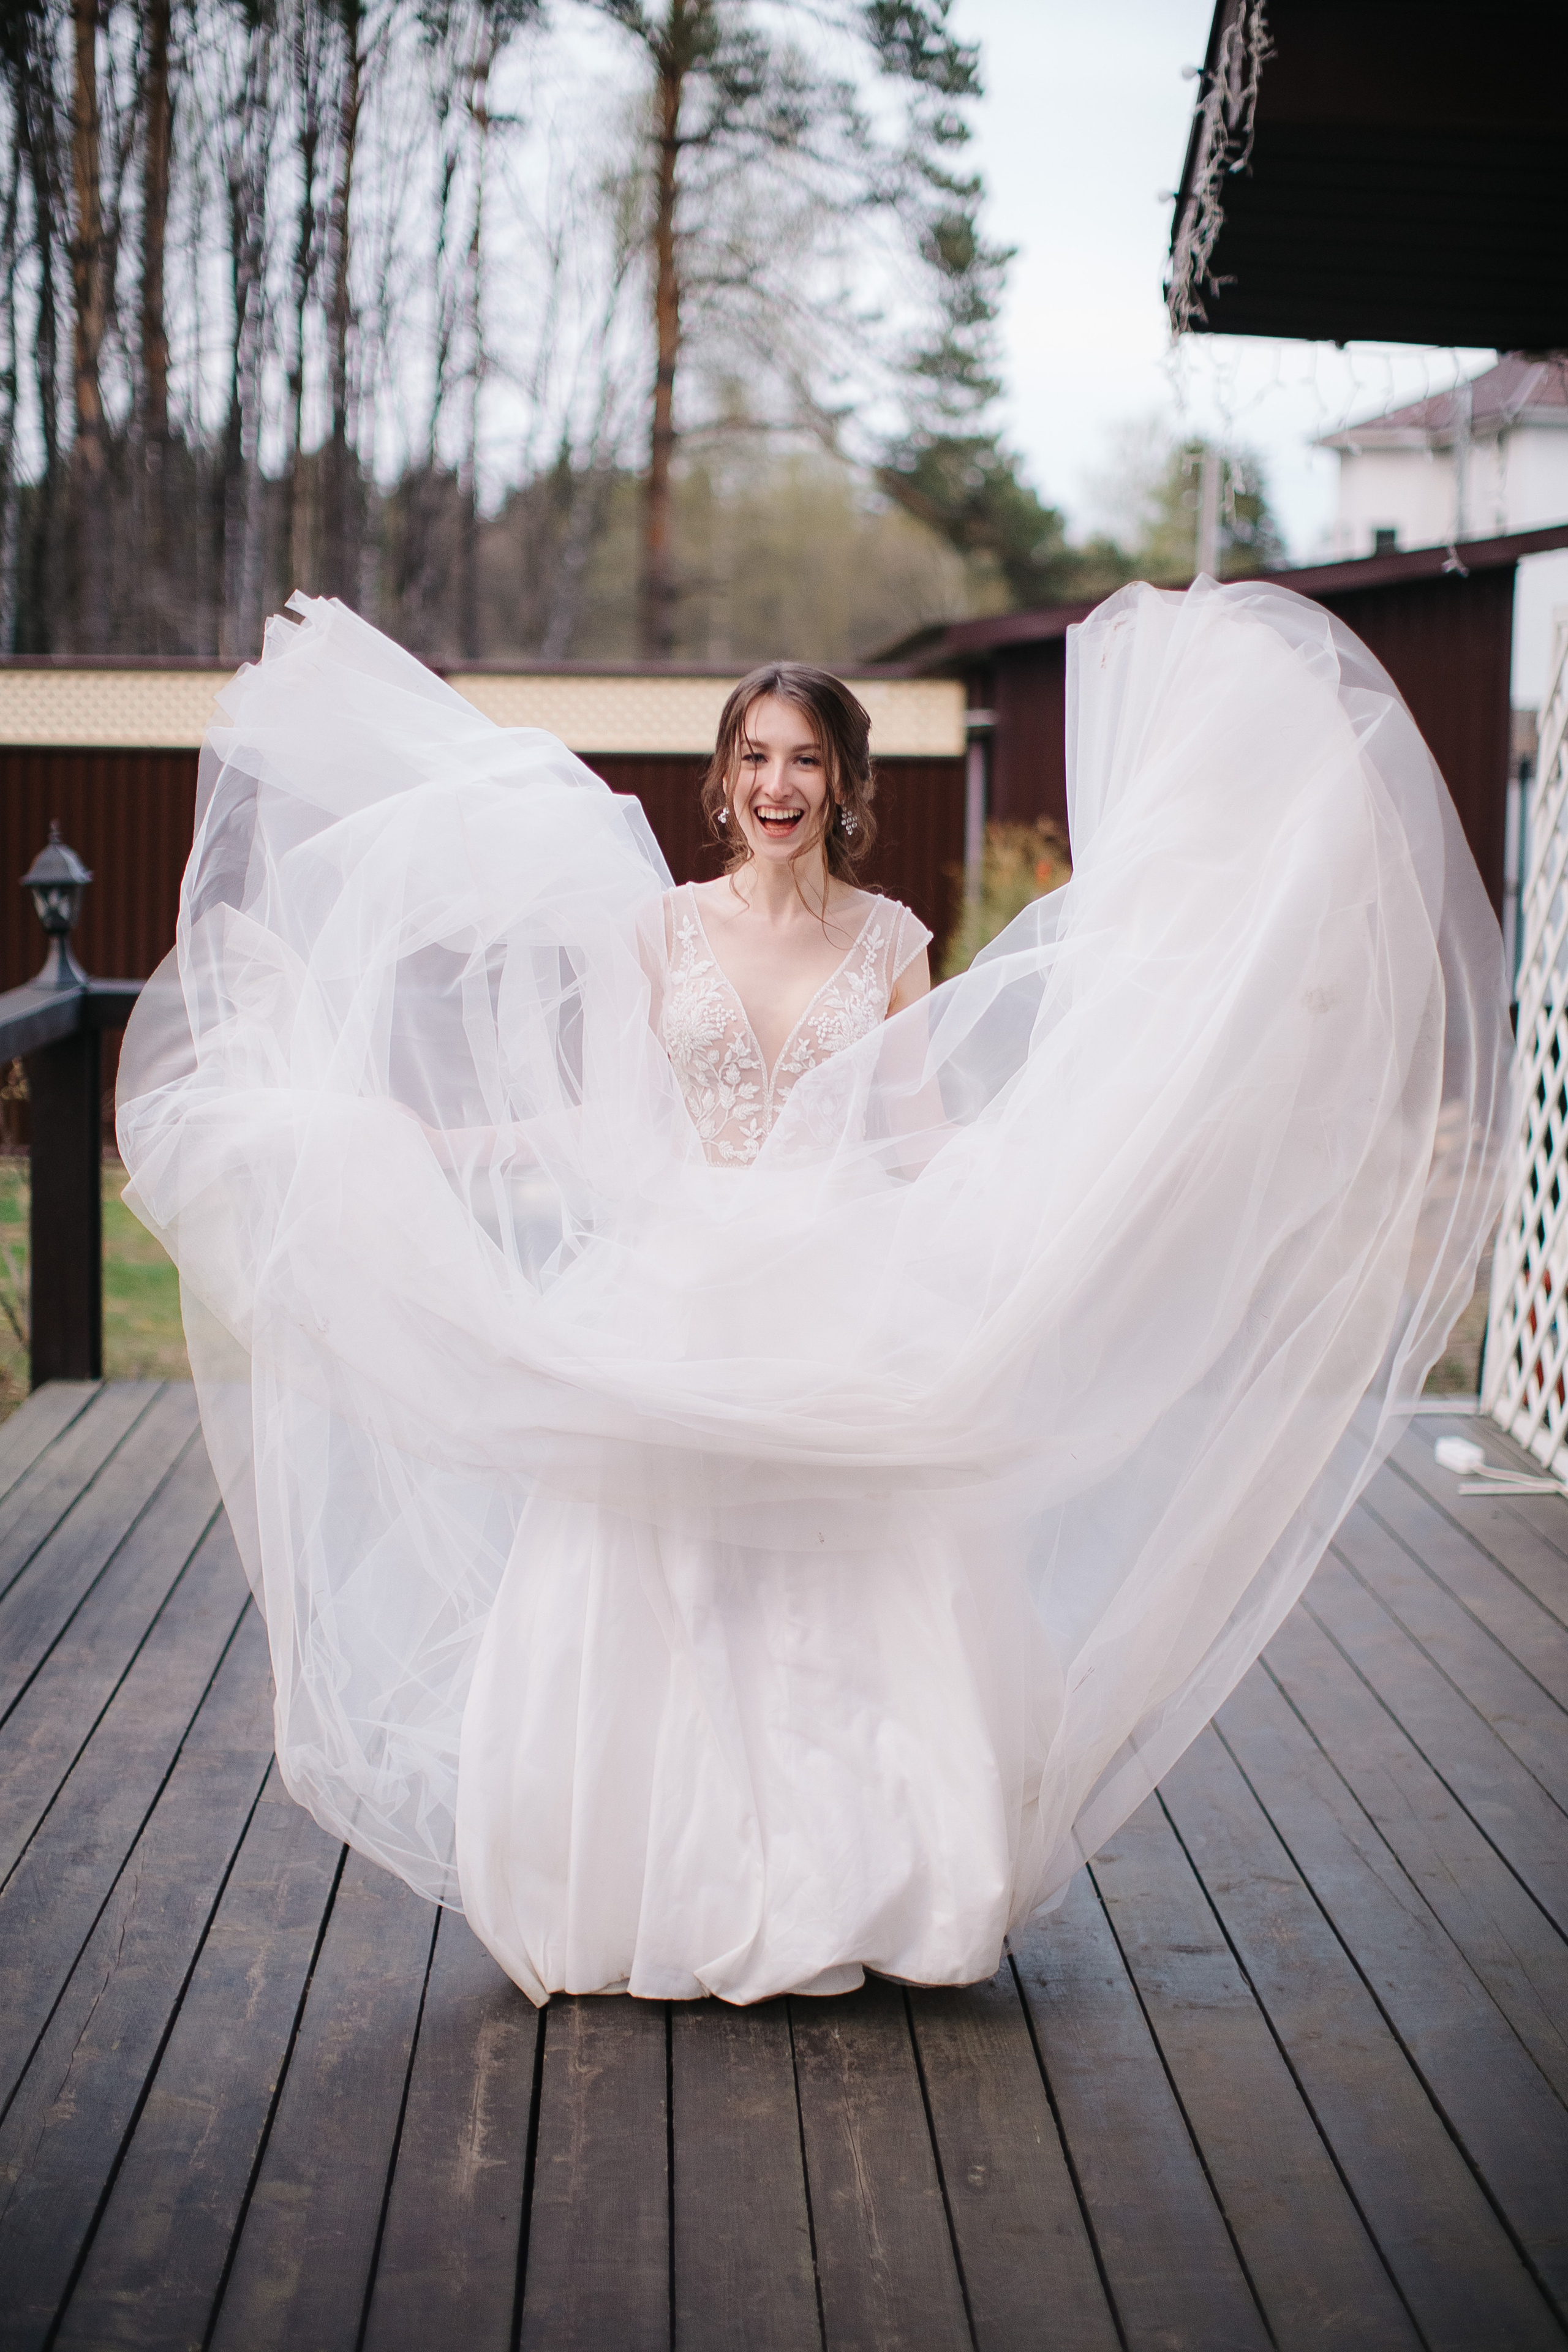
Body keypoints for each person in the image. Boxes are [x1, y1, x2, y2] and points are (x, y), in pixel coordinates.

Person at [116, 577, 1509, 2007]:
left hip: (836, 1297)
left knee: (847, 1589)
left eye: (805, 761)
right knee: (663, 1581)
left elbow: (915, 1141)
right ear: (721, 782)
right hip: (674, 1294)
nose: (777, 786)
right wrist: (418, 1141)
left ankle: (864, 1889)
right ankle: (651, 1885)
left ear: (842, 784)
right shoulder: (656, 932)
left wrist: (1062, 1194)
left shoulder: (892, 941)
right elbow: (598, 1126)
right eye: (755, 759)